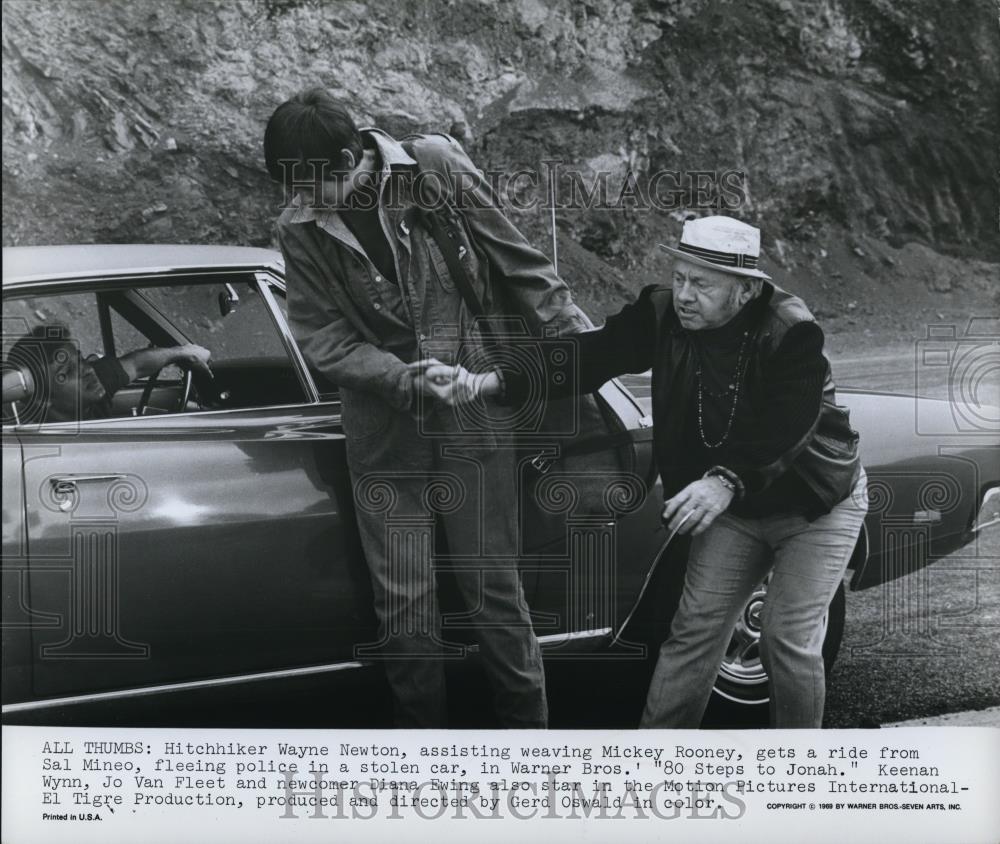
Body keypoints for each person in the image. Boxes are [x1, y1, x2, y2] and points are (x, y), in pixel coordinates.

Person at [435, 215, 868, 728]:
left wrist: (725, 479)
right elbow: (587, 355)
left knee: (785, 638)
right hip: (734, 506)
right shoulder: (662, 312)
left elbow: (788, 425)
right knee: (692, 631)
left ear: (747, 290)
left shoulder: (790, 330)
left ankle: (799, 775)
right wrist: (492, 382)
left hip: (814, 503)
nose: (684, 293)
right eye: (680, 276)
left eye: (702, 283)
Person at [264, 88, 590, 728]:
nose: (302, 201)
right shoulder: (296, 228)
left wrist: (581, 352)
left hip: (475, 410)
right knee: (404, 610)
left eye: (311, 185)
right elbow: (323, 339)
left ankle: (532, 751)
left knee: (494, 594)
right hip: (384, 433)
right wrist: (402, 378)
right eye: (292, 188)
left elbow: (518, 259)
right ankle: (423, 762)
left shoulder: (434, 165)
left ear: (349, 157)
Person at [6, 322, 211, 423]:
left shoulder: (92, 383)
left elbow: (136, 364)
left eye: (79, 358)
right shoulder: (45, 441)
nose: (86, 370)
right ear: (43, 400)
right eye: (67, 372)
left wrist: (184, 353)